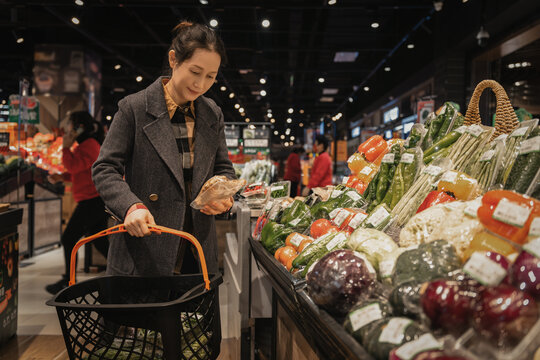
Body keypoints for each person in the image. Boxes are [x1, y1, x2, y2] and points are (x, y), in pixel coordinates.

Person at [92, 21, 234, 279]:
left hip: (197, 251)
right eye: (195, 71)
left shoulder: (212, 112)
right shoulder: (134, 109)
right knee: (146, 319)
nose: (201, 84)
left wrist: (223, 196)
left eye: (211, 76)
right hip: (145, 246)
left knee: (194, 319)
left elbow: (223, 169)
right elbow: (105, 168)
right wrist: (131, 206)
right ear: (173, 59)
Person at [45, 111, 109, 295]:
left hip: (92, 200)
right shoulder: (87, 145)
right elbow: (81, 172)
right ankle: (124, 273)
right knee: (100, 243)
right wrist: (61, 177)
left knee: (68, 238)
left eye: (71, 124)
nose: (68, 128)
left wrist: (65, 147)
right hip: (93, 200)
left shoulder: (89, 145)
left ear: (79, 126)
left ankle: (68, 280)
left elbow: (74, 166)